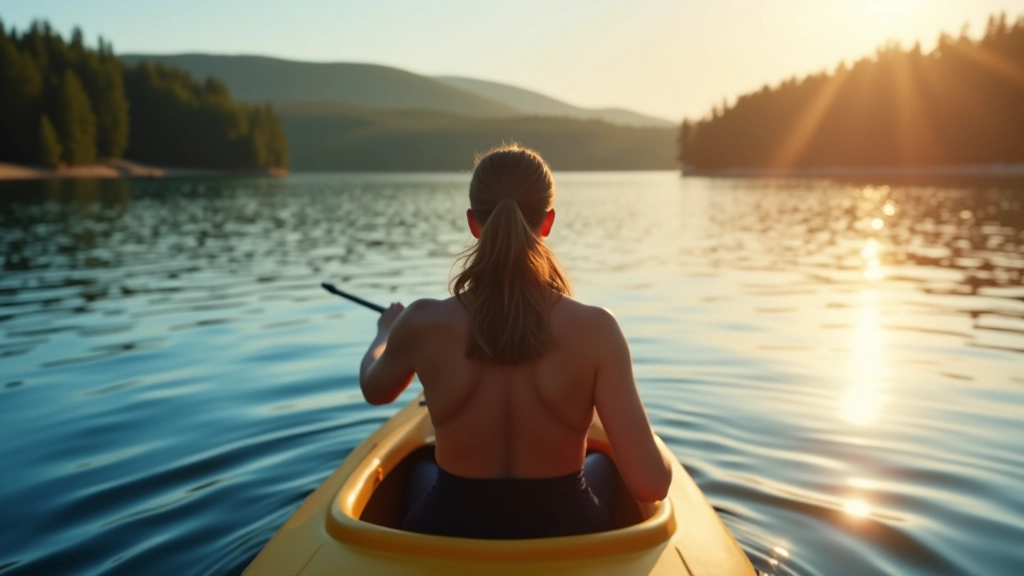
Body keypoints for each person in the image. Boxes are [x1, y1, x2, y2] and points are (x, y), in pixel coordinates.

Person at [358, 144, 671, 539]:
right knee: (605, 467)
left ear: (474, 222)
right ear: (548, 222)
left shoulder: (421, 321)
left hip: (448, 531)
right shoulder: (597, 330)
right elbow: (651, 485)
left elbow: (374, 388)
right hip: (567, 533)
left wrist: (385, 333)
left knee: (419, 470)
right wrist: (654, 443)